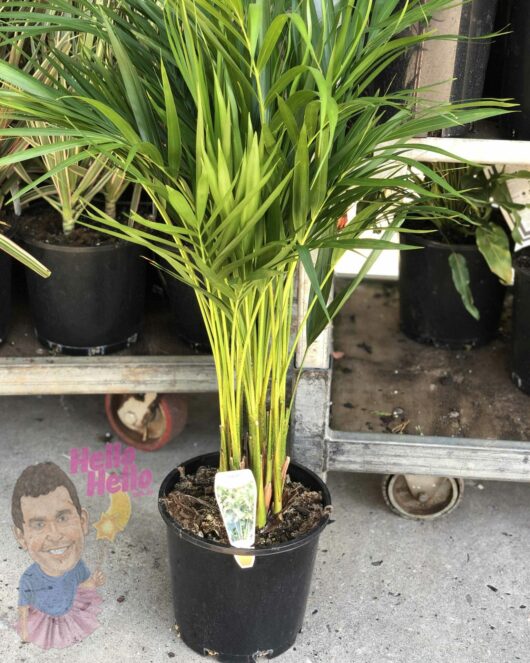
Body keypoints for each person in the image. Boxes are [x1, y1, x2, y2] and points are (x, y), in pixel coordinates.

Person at [11, 461, 104, 649]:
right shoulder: (29, 578)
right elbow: (24, 607)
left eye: (62, 518)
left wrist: (92, 583)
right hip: (44, 620)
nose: (54, 535)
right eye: (38, 524)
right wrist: (25, 630)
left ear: (83, 521)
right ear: (21, 537)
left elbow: (80, 588)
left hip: (70, 614)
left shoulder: (78, 566)